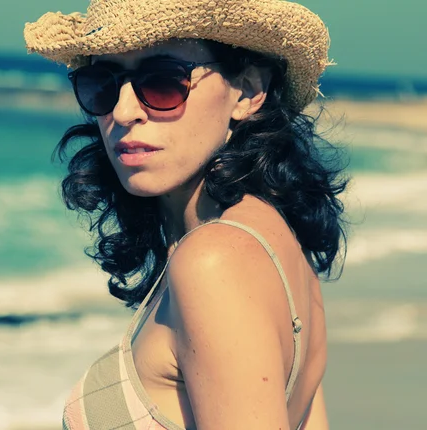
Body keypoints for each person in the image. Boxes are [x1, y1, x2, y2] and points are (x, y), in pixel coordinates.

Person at [24, 0, 348, 428]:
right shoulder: (278, 248)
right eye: (101, 84)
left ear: (248, 92)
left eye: (163, 83)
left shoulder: (214, 261)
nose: (122, 112)